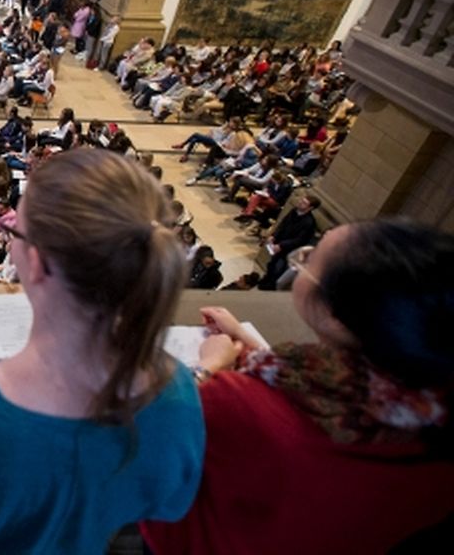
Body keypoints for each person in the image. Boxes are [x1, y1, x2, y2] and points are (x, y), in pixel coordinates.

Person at [0, 149, 204, 553]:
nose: (8, 241)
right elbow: (171, 504)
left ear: (38, 262)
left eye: (15, 232)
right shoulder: (176, 394)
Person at [142, 219, 454, 554]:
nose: (301, 259)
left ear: (334, 313)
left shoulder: (238, 401)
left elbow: (150, 437)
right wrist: (248, 342)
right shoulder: (432, 403)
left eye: (310, 257)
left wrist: (208, 368)